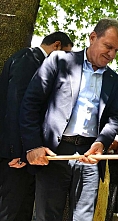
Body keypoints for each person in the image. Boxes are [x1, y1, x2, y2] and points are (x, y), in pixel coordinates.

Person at [19, 18, 118, 221]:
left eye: (116, 50)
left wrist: (101, 142)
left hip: (90, 156)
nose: (111, 55)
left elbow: (114, 118)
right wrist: (33, 145)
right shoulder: (58, 61)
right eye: (108, 46)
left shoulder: (114, 80)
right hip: (54, 153)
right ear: (93, 37)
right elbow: (30, 104)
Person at [0, 31, 73, 221]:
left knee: (23, 210)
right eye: (65, 54)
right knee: (11, 210)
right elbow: (16, 106)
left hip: (27, 156)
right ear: (56, 45)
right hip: (15, 156)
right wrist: (18, 150)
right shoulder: (28, 59)